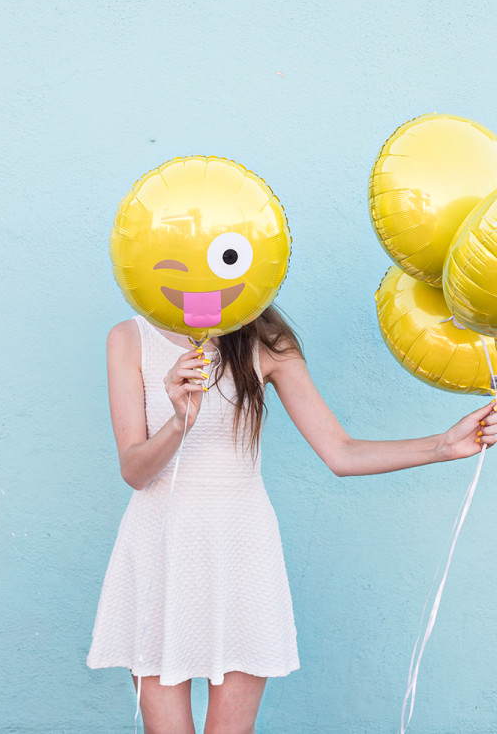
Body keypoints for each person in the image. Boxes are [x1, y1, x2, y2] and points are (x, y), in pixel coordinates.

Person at [87, 305, 497, 734]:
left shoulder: (266, 341)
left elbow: (340, 452)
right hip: (159, 551)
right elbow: (134, 471)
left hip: (241, 552)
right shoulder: (129, 338)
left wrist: (443, 446)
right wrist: (180, 423)